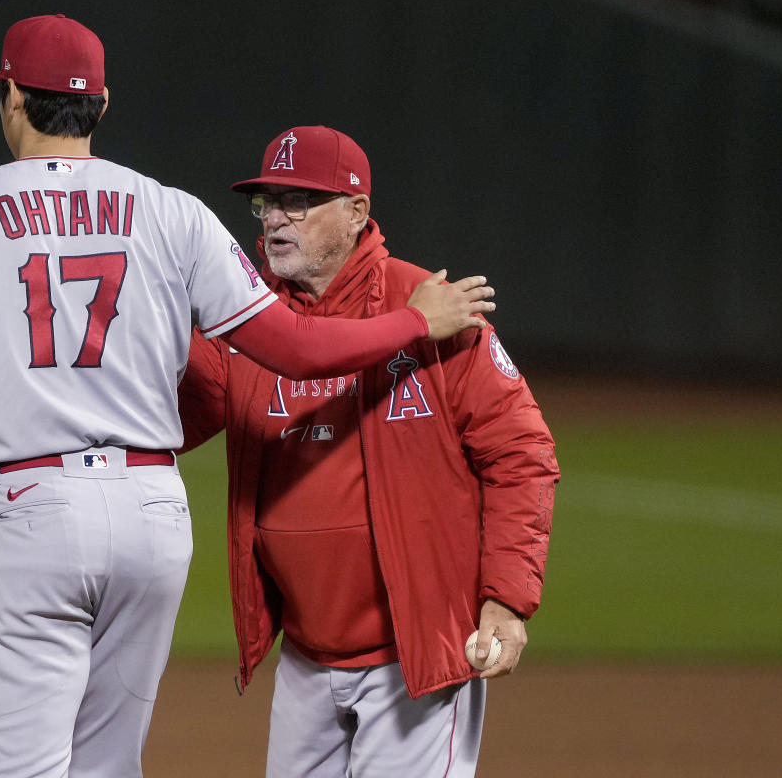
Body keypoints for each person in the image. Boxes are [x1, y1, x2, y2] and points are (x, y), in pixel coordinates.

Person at [0, 16, 497, 778]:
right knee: (109, 765)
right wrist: (414, 320)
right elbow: (297, 349)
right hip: (152, 511)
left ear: (13, 97)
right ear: (103, 104)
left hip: (30, 513)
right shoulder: (172, 212)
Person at [177, 125, 560, 777]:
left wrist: (506, 599)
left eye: (298, 202)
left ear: (357, 213)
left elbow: (521, 453)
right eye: (267, 202)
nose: (275, 219)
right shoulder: (246, 322)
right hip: (305, 656)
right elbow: (177, 418)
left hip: (411, 657)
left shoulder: (435, 312)